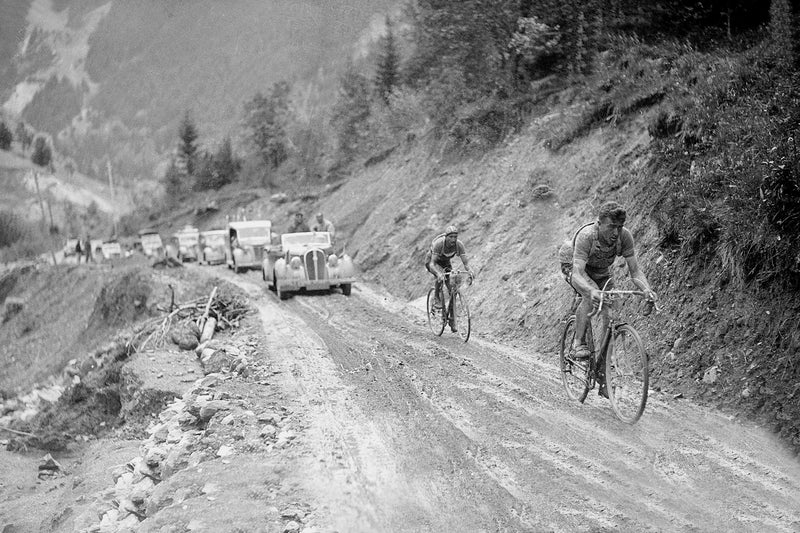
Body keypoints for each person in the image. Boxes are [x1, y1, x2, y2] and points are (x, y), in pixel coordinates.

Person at [567, 201, 657, 369]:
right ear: (599, 224)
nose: (616, 232)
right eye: (611, 227)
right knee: (590, 295)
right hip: (575, 268)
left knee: (611, 308)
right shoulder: (587, 236)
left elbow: (635, 271)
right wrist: (590, 290)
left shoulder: (624, 237)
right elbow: (577, 273)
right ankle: (578, 343)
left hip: (601, 271)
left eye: (620, 227)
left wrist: (646, 289)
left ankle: (603, 362)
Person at [425, 225, 475, 332]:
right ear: (446, 237)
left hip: (445, 262)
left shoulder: (459, 245)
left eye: (455, 237)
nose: (453, 239)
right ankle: (436, 298)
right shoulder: (439, 244)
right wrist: (438, 274)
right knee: (441, 277)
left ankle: (452, 320)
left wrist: (470, 271)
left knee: (453, 290)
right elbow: (432, 264)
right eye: (450, 237)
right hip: (432, 262)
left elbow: (466, 263)